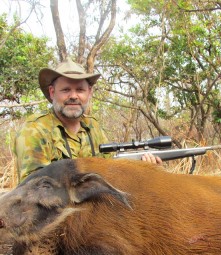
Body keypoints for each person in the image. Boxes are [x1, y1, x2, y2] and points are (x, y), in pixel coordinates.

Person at [14, 57, 162, 182]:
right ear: (52, 93)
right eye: (66, 90)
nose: (73, 96)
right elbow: (33, 188)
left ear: (89, 93)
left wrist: (143, 168)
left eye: (80, 90)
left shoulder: (93, 126)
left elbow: (112, 170)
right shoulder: (34, 130)